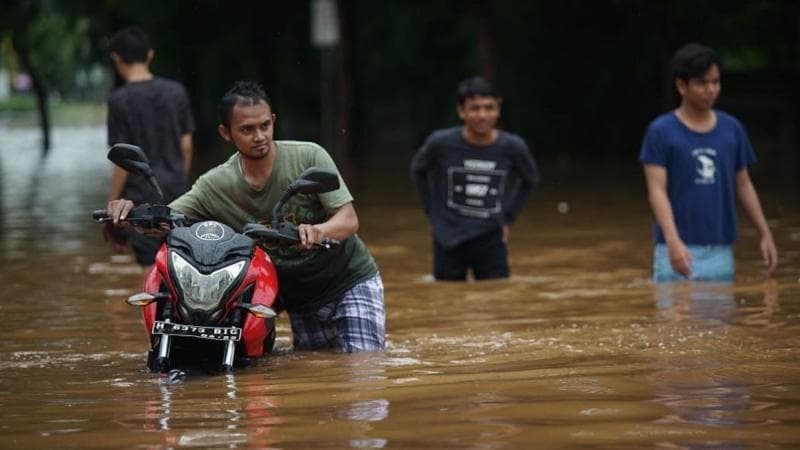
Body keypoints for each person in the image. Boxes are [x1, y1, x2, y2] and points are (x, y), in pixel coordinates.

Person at [107, 80, 384, 352]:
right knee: (313, 375)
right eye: (247, 129)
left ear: (273, 120)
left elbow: (349, 220)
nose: (260, 136)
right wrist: (133, 215)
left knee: (362, 373)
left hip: (347, 281)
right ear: (226, 133)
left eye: (265, 125)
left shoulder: (309, 157)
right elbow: (169, 220)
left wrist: (318, 231)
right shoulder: (215, 184)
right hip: (294, 296)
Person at [639, 43, 778, 282]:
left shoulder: (731, 129)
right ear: (682, 85)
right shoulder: (660, 132)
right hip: (674, 251)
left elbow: (743, 184)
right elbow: (657, 191)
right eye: (702, 83)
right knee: (674, 319)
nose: (711, 89)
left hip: (721, 252)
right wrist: (673, 241)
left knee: (722, 317)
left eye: (716, 82)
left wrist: (765, 234)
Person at [410, 76, 540, 281]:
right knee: (447, 296)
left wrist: (508, 218)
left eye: (489, 108)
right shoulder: (441, 143)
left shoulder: (513, 146)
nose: (482, 115)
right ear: (462, 111)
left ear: (498, 110)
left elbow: (530, 179)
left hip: (491, 236)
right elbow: (418, 170)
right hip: (448, 236)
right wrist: (433, 215)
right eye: (475, 108)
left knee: (495, 296)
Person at [105, 26, 195, 266]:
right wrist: (177, 181)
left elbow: (122, 160)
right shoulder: (176, 92)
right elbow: (186, 145)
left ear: (116, 57)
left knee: (150, 269)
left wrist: (112, 206)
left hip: (139, 199)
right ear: (150, 55)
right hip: (178, 193)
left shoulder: (119, 100)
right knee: (179, 261)